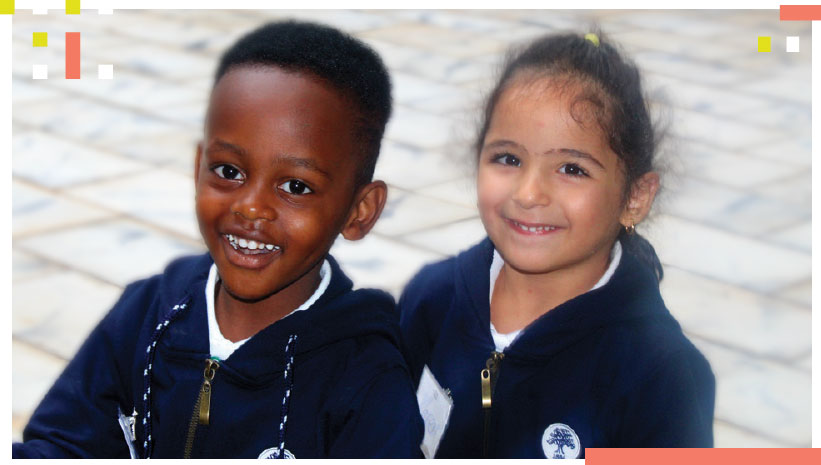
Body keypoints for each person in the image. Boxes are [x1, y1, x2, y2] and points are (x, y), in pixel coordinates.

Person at [14, 20, 423, 459]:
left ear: (359, 211)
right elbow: (60, 446)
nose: (250, 207)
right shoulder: (146, 314)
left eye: (296, 187)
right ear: (198, 167)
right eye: (229, 172)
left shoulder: (365, 380)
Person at [398, 31, 715, 459]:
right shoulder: (433, 299)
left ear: (635, 197)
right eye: (508, 159)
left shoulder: (660, 374)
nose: (529, 193)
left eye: (571, 168)